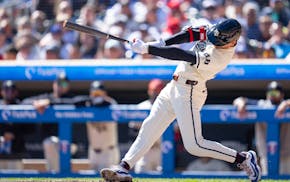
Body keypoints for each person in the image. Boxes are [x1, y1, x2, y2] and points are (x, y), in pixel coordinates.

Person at [100, 18, 261, 182]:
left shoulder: (220, 58)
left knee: (195, 145)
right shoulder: (217, 32)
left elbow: (183, 55)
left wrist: (148, 48)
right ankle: (124, 167)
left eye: (217, 40)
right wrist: (162, 42)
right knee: (150, 126)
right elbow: (191, 34)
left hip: (190, 91)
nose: (212, 40)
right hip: (174, 86)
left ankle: (243, 158)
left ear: (231, 41)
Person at [233, 81, 290, 175]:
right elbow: (239, 99)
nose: (273, 95)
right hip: (266, 153)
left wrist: (286, 104)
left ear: (282, 94)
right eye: (270, 93)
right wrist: (240, 104)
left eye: (276, 93)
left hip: (286, 153)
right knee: (268, 177)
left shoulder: (286, 105)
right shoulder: (261, 104)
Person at [129, 79, 165, 173]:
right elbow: (132, 129)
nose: (155, 94)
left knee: (163, 176)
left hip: (161, 150)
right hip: (145, 150)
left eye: (158, 91)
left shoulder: (168, 108)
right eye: (154, 91)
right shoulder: (142, 107)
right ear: (149, 91)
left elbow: (176, 130)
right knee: (141, 174)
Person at [86, 81, 120, 171]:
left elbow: (117, 112)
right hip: (93, 152)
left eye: (99, 93)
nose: (97, 96)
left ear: (104, 93)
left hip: (108, 152)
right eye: (94, 93)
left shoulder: (111, 104)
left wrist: (104, 100)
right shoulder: (88, 105)